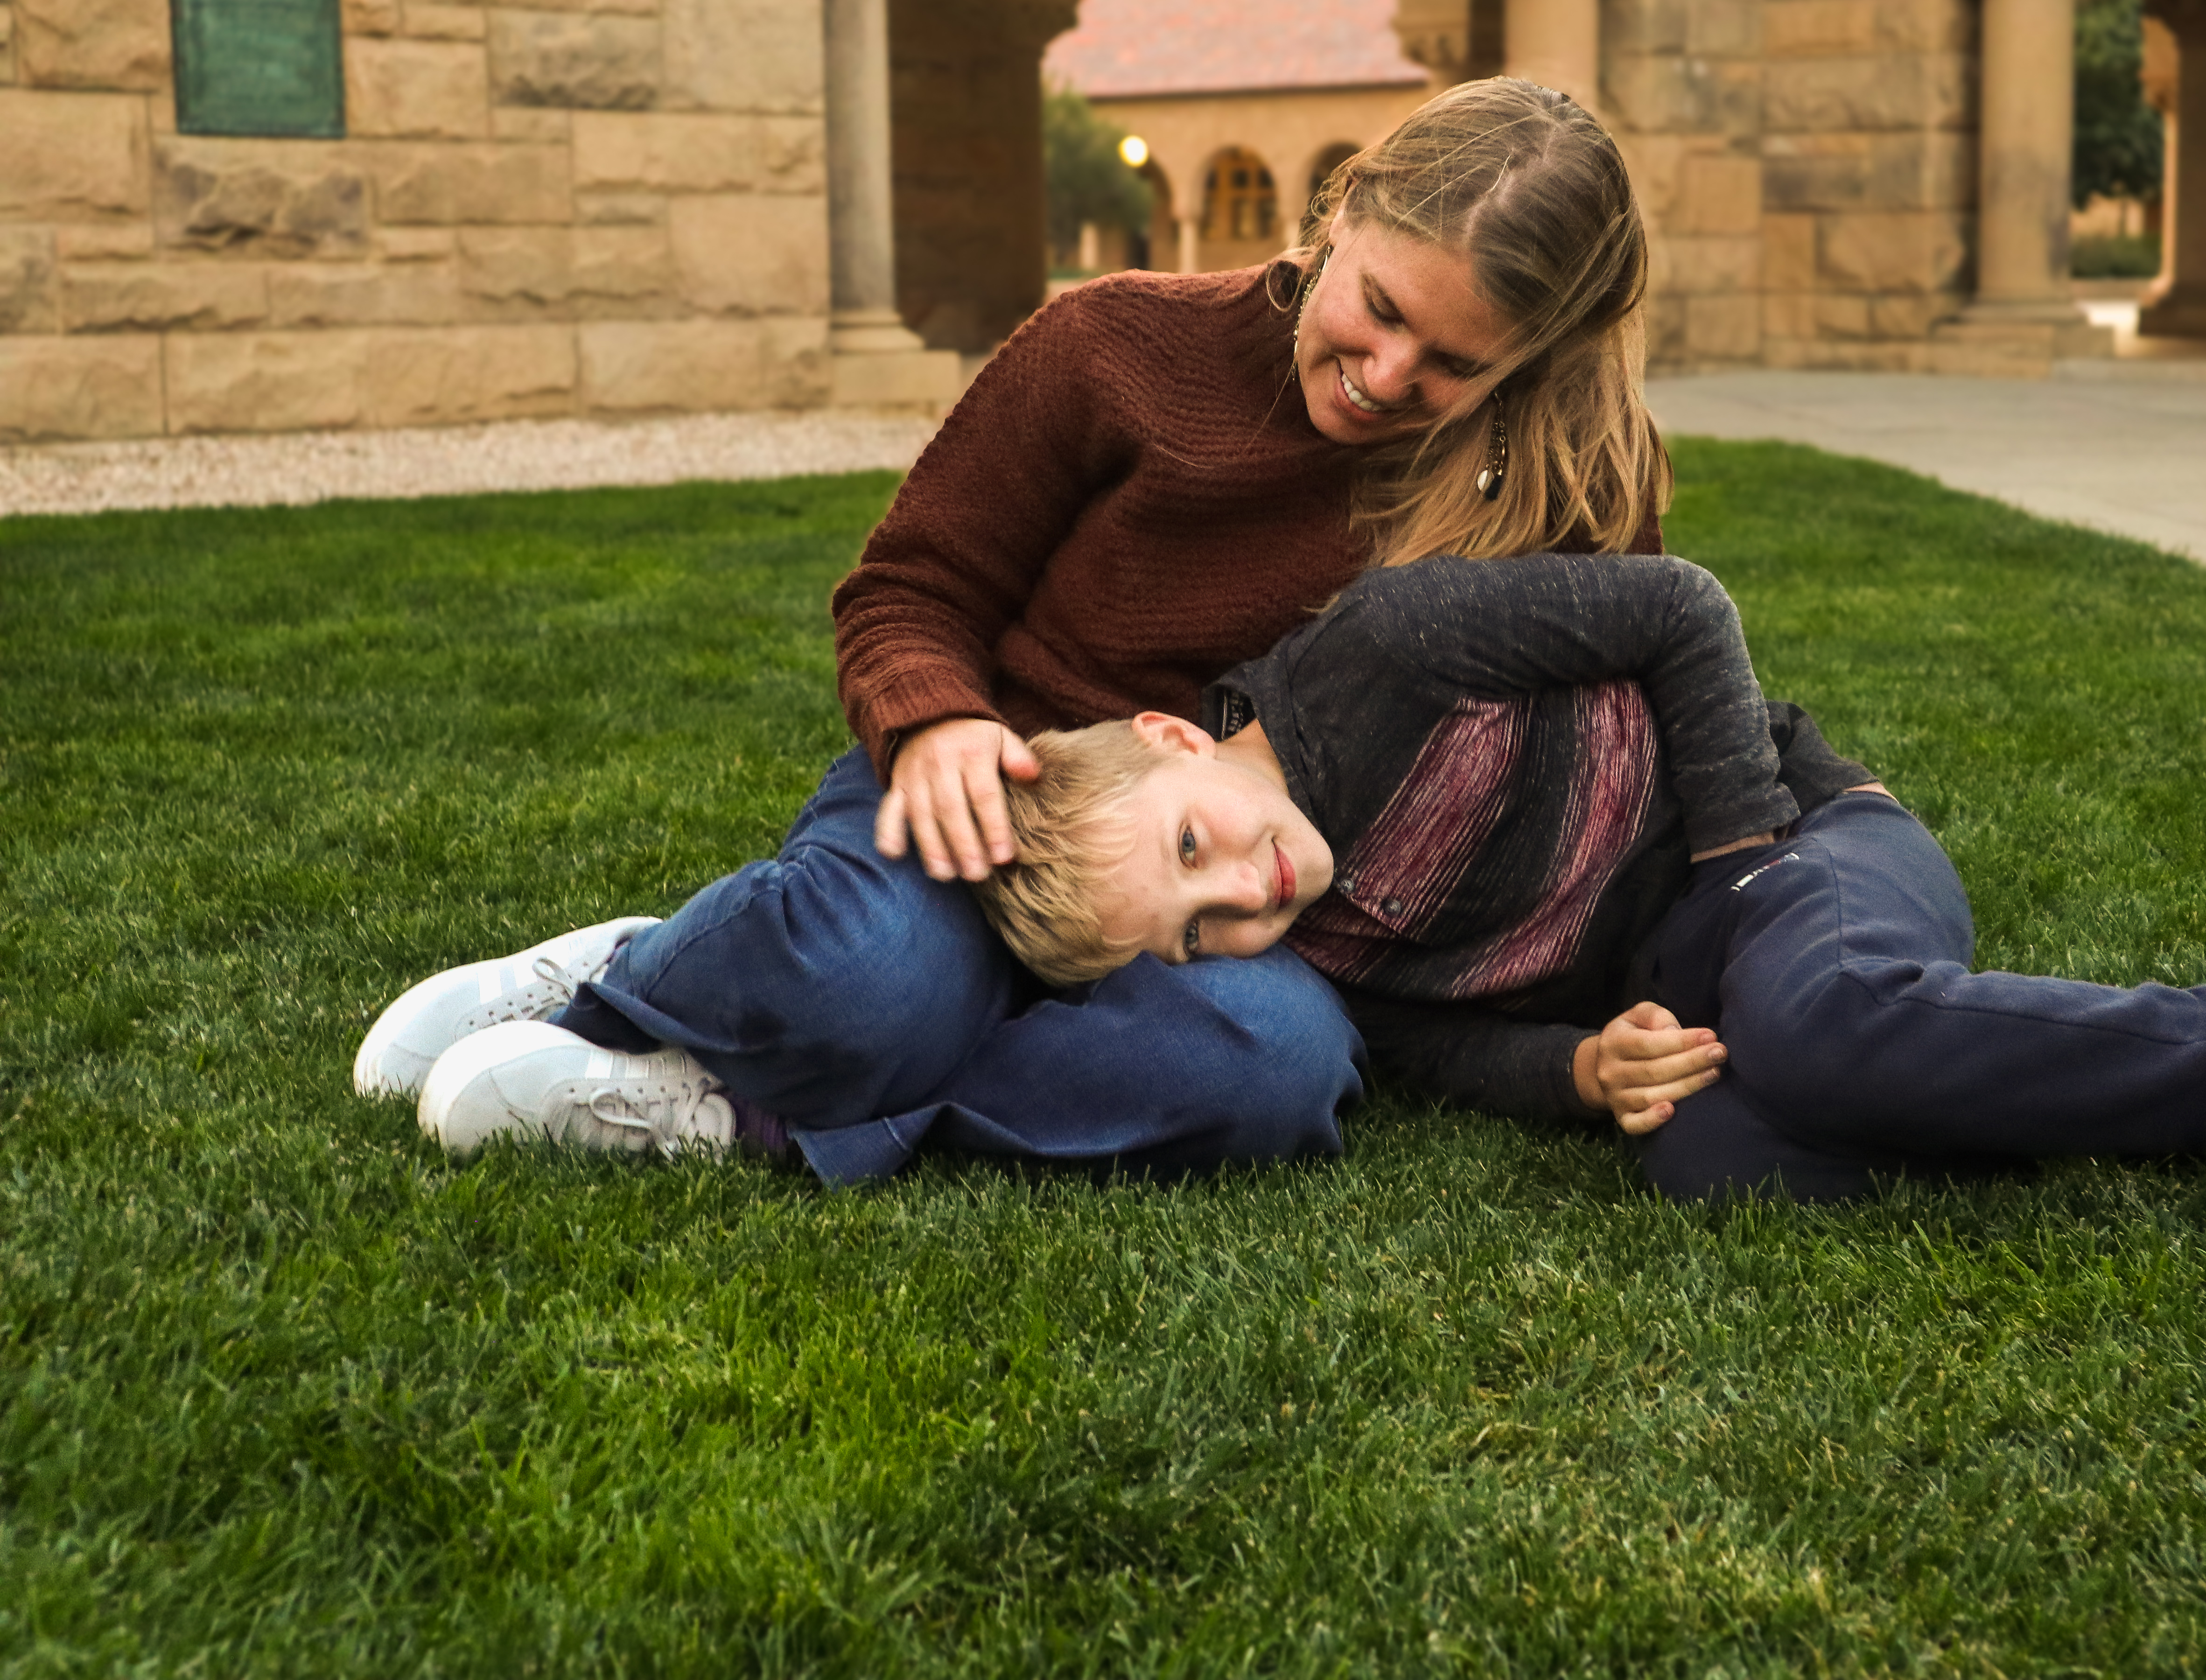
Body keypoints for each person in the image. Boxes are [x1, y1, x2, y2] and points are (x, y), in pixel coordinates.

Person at [358, 77, 1672, 1183]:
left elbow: (1590, 736)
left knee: (1274, 1072)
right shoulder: (1117, 344)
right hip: (1006, 801)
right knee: (879, 974)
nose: (1388, 378)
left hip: (1235, 904)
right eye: (1380, 311)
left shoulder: (1557, 491)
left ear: (1525, 364)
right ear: (1342, 215)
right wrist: (936, 724)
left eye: (1451, 366)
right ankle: (635, 977)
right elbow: (909, 585)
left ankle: (753, 1107)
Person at [962, 554, 2206, 1216]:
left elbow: (1681, 608)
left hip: (1807, 854)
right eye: (1202, 933)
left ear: (1183, 735)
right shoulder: (1316, 947)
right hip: (1702, 984)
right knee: (1719, 1157)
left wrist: (1746, 857)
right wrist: (1581, 1068)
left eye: (1195, 847)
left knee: (1819, 1033)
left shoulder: (1385, 648)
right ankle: (2005, 1074)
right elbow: (1442, 1049)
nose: (1242, 898)